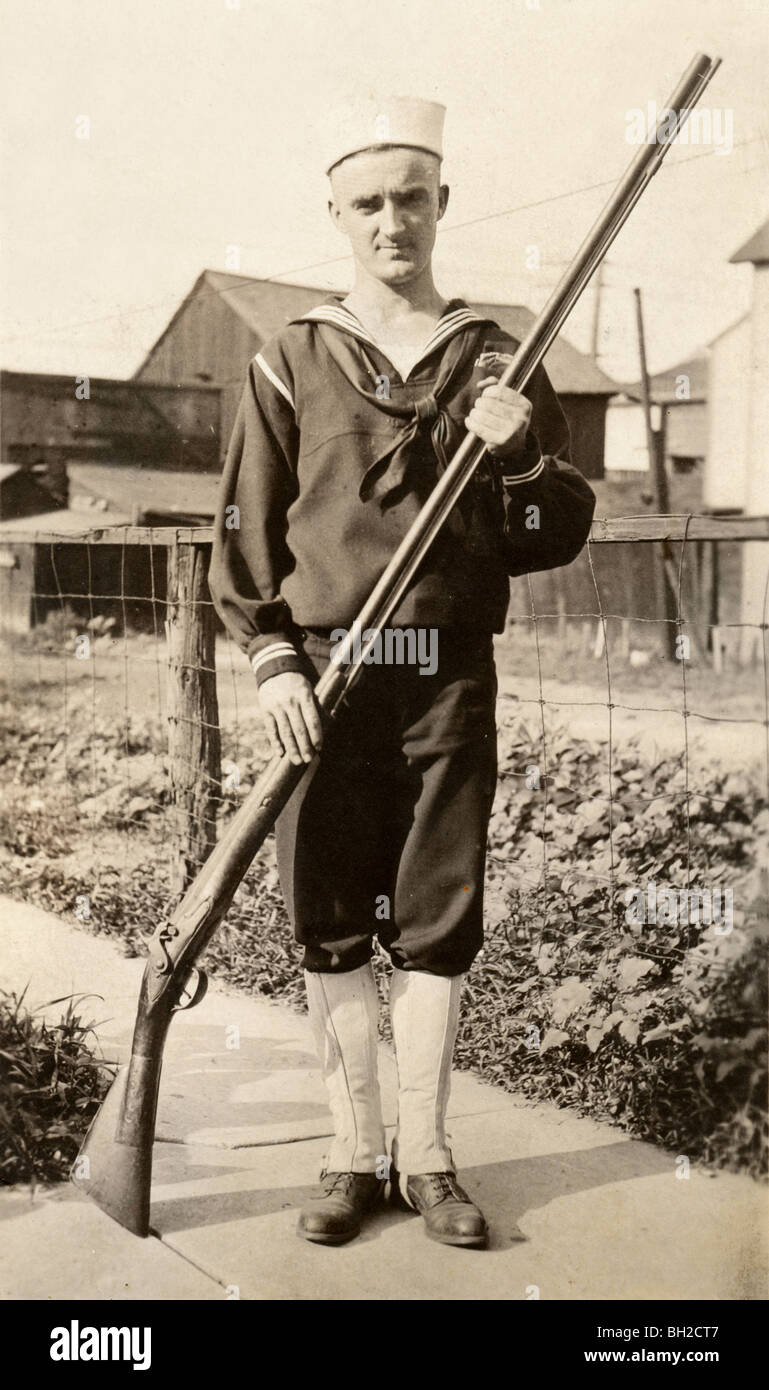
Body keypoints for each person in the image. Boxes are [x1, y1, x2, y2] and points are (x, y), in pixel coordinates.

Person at [209, 95, 595, 1249]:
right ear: (335, 213)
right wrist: (274, 664)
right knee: (329, 912)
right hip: (322, 684)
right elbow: (243, 536)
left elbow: (555, 524)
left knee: (435, 918)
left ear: (442, 204)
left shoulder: (498, 352)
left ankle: (425, 1158)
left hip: (446, 678)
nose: (392, 222)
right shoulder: (291, 357)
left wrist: (519, 446)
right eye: (367, 203)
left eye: (411, 198)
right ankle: (350, 1151)